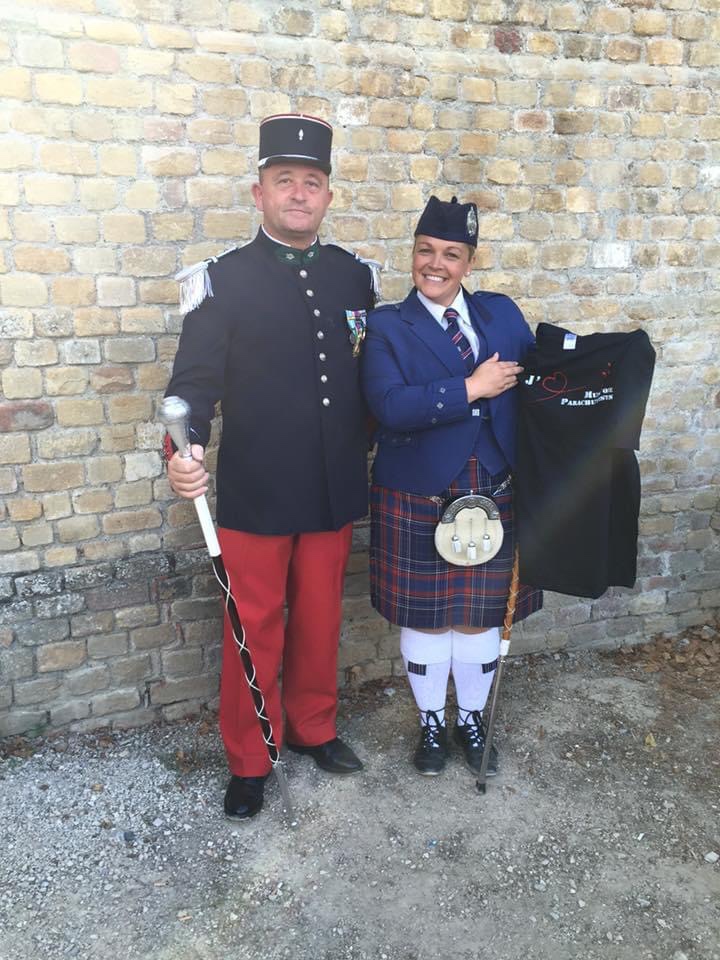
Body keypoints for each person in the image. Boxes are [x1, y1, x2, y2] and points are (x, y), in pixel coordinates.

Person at [164, 114, 377, 820]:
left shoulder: (354, 277)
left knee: (319, 620)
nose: (299, 193)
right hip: (257, 488)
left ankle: (313, 727)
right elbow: (192, 387)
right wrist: (185, 449)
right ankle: (251, 758)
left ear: (327, 195)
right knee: (252, 627)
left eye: (311, 182)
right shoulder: (222, 281)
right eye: (285, 180)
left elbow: (368, 377)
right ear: (259, 193)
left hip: (332, 485)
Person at [361, 195, 542, 777]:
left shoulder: (501, 314)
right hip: (418, 488)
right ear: (413, 254)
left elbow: (541, 382)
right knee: (427, 616)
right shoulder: (387, 324)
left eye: (451, 254)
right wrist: (472, 387)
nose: (435, 264)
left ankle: (470, 717)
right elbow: (389, 405)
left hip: (496, 481)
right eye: (425, 251)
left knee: (479, 614)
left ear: (469, 262)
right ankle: (431, 723)